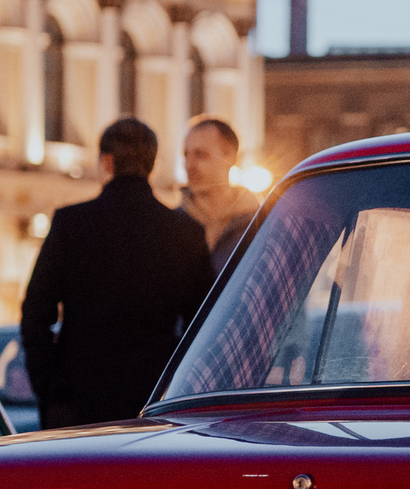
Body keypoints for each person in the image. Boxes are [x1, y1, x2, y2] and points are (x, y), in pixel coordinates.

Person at [20, 117, 213, 428]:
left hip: (78, 401)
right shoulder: (184, 232)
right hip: (155, 399)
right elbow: (203, 323)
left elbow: (35, 311)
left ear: (107, 162)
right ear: (153, 164)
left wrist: (49, 385)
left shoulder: (71, 224)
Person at [178, 114, 260, 276]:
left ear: (231, 157)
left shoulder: (257, 223)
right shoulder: (172, 226)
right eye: (186, 155)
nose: (189, 166)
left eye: (200, 154)